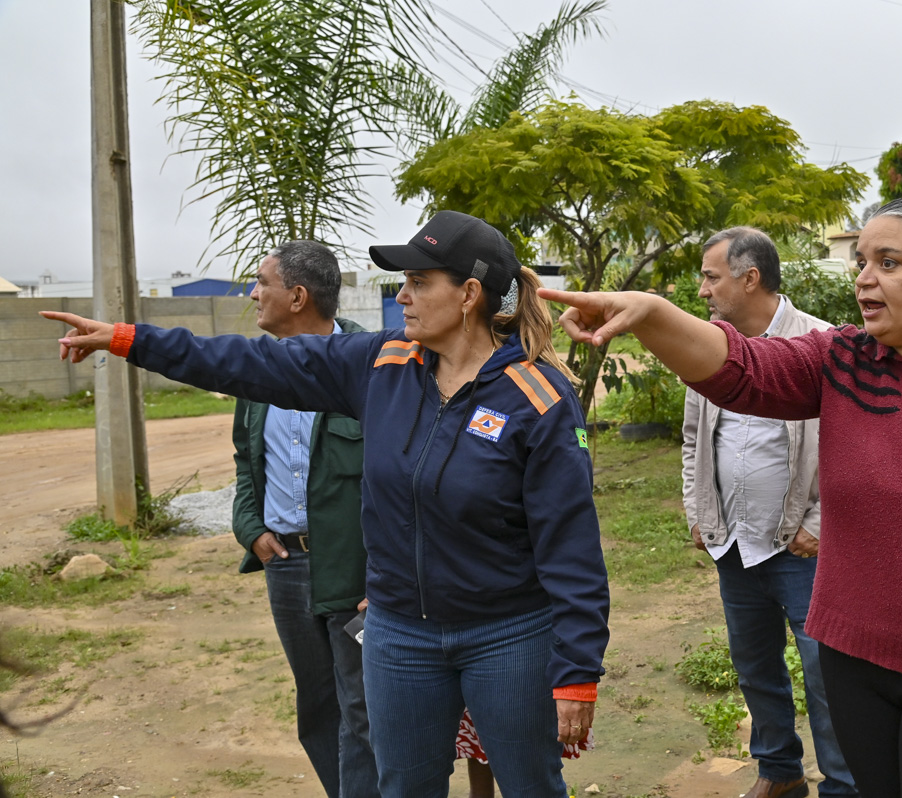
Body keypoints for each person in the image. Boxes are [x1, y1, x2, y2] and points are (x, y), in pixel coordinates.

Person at [537, 197, 902, 798]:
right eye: (862, 262)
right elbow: (741, 368)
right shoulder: (842, 360)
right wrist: (650, 313)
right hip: (857, 668)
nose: (864, 279)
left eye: (888, 263)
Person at [44, 210, 609, 798]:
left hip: (507, 637)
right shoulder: (382, 363)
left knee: (530, 786)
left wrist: (577, 672)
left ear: (469, 294)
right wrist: (128, 339)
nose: (403, 296)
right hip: (399, 636)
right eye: (404, 282)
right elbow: (249, 363)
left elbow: (569, 544)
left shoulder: (536, 398)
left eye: (419, 282)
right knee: (404, 787)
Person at [681, 228, 856, 798]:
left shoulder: (822, 344)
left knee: (826, 674)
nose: (702, 290)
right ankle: (779, 772)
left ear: (749, 278)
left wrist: (820, 523)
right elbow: (693, 438)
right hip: (734, 542)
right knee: (755, 667)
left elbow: (854, 448)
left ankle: (843, 785)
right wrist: (698, 509)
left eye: (711, 277)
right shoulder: (707, 347)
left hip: (802, 548)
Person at [230, 241, 378, 798]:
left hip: (352, 567)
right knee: (316, 708)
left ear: (297, 297)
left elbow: (400, 471)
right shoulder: (259, 372)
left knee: (364, 708)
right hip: (286, 565)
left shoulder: (367, 365)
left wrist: (387, 569)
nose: (253, 294)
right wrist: (251, 529)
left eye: (261, 282)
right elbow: (246, 457)